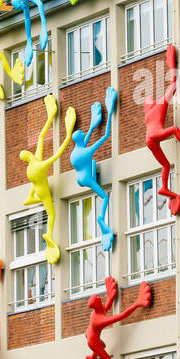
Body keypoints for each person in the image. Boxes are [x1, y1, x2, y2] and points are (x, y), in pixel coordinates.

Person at [143, 44, 180, 215]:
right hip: (155, 135)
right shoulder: (159, 106)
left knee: (166, 164)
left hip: (149, 140)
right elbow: (173, 85)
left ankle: (166, 188)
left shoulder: (148, 116)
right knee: (175, 128)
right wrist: (171, 65)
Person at [19, 95, 76, 263]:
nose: (31, 152)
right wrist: (67, 133)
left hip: (36, 186)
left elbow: (41, 137)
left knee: (40, 141)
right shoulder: (38, 165)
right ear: (28, 155)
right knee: (51, 214)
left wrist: (51, 115)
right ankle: (49, 234)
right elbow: (57, 154)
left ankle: (30, 198)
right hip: (43, 190)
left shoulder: (33, 163)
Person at [86, 277, 152, 359]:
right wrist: (137, 303)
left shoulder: (97, 311)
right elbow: (121, 316)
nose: (100, 299)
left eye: (99, 299)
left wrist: (110, 295)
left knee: (102, 347)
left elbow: (106, 307)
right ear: (96, 304)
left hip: (91, 335)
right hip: (92, 341)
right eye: (98, 299)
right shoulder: (98, 319)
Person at [70, 88, 118, 249]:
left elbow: (86, 141)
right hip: (87, 179)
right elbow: (105, 136)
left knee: (92, 163)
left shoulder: (76, 152)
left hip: (81, 177)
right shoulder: (85, 151)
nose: (86, 133)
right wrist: (110, 111)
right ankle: (101, 220)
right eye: (84, 132)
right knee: (104, 197)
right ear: (80, 138)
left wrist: (92, 125)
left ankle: (94, 172)